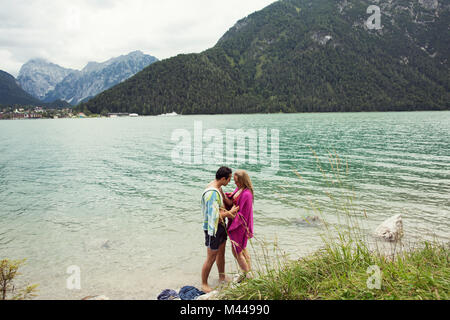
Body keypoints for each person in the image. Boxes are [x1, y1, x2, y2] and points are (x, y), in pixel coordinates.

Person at [201, 167, 239, 293]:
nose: (229, 182)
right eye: (229, 179)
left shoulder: (218, 188)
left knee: (221, 253)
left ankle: (221, 276)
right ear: (223, 178)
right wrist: (230, 213)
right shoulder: (212, 193)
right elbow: (214, 216)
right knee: (211, 257)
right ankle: (204, 283)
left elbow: (220, 206)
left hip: (220, 227)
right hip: (213, 229)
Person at [226, 170, 254, 278]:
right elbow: (233, 198)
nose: (234, 183)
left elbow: (244, 214)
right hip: (236, 222)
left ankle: (246, 274)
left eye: (236, 181)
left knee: (237, 251)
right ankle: (249, 271)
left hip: (240, 225)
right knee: (243, 249)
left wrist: (228, 215)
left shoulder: (247, 194)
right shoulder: (239, 189)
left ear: (242, 181)